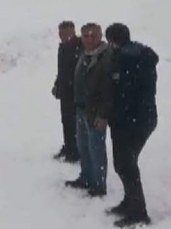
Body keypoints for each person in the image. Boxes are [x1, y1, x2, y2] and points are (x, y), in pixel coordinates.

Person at [105, 23, 158, 227]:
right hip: (141, 119)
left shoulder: (127, 59)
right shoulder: (136, 53)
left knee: (126, 165)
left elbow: (126, 95)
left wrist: (118, 117)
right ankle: (130, 202)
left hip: (133, 121)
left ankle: (138, 212)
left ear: (114, 40)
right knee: (124, 164)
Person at [65, 23, 112, 197]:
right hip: (81, 109)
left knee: (96, 149)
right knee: (83, 147)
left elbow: (109, 90)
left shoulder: (106, 57)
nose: (90, 39)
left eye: (94, 36)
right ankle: (86, 177)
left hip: (96, 113)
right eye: (86, 36)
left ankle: (99, 185)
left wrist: (103, 114)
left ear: (100, 36)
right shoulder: (84, 55)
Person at [52, 21, 82, 163]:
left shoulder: (79, 47)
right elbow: (62, 70)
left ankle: (75, 151)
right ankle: (69, 146)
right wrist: (57, 84)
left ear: (73, 32)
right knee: (66, 121)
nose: (62, 36)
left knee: (74, 123)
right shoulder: (63, 47)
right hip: (65, 92)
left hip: (75, 92)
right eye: (60, 33)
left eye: (65, 33)